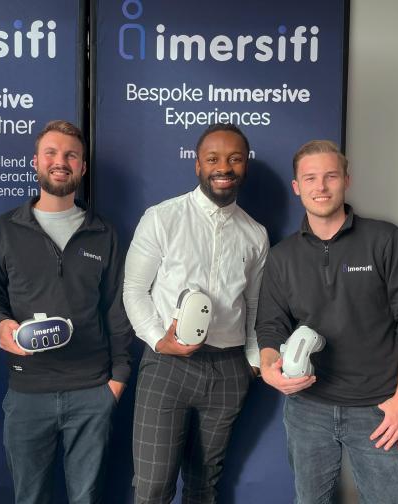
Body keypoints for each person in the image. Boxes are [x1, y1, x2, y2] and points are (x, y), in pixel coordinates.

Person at [256, 140, 398, 503]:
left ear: (346, 181)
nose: (320, 187)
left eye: (329, 177)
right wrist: (267, 365)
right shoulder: (282, 257)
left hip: (379, 408)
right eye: (310, 179)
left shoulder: (384, 240)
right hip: (308, 409)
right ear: (297, 187)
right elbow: (271, 324)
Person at [0, 120, 133, 504]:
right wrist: (0, 325)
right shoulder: (7, 229)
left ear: (81, 168)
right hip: (27, 391)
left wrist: (117, 381)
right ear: (36, 162)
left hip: (91, 391)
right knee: (29, 498)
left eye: (70, 155)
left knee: (86, 497)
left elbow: (118, 308)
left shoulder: (104, 233)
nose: (60, 161)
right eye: (51, 153)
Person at [124, 123, 269, 503]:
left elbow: (254, 304)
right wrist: (159, 340)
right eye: (213, 159)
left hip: (228, 370)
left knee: (205, 486)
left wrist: (252, 360)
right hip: (166, 367)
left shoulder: (255, 234)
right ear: (197, 165)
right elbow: (135, 290)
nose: (224, 167)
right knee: (153, 485)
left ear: (245, 166)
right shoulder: (162, 217)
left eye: (234, 159)